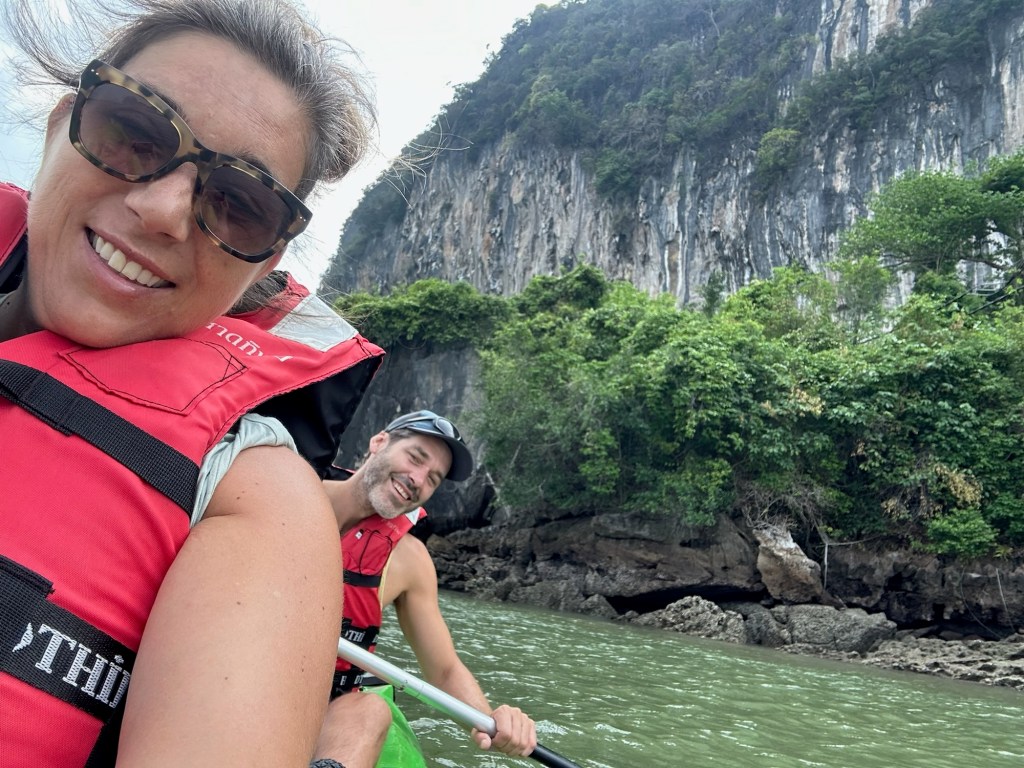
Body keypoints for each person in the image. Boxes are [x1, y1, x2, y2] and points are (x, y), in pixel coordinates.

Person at [0, 1, 386, 765]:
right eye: (135, 131)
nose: (162, 210)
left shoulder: (258, 501)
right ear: (61, 125)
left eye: (240, 204)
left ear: (266, 262)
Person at [313, 409, 538, 768]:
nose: (418, 479)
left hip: (324, 705)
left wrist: (492, 720)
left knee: (371, 710)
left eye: (433, 478)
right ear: (379, 442)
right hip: (247, 672)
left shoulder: (410, 562)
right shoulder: (287, 492)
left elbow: (444, 669)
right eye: (415, 458)